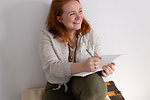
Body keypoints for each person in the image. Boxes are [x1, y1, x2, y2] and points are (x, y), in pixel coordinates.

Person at [39, 0, 115, 100]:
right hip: (58, 87)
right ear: (60, 18)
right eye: (72, 14)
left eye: (80, 11)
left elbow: (98, 59)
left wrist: (103, 70)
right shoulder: (47, 36)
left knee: (96, 87)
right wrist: (83, 66)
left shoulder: (90, 34)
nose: (79, 17)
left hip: (84, 83)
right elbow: (51, 67)